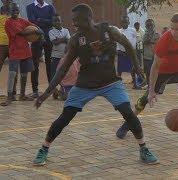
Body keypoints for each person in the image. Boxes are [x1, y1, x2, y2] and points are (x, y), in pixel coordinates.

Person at [32, 4, 158, 166]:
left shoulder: (109, 31)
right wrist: (46, 93)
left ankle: (143, 149)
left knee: (128, 112)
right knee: (65, 117)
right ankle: (44, 149)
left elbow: (127, 44)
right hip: (85, 85)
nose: (74, 24)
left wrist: (137, 65)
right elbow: (63, 68)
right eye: (73, 21)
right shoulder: (76, 40)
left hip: (110, 83)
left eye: (77, 20)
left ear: (88, 19)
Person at [116, 13, 178, 139]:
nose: (174, 32)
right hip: (165, 69)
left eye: (177, 29)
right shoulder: (165, 40)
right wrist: (151, 91)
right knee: (144, 99)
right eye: (172, 28)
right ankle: (128, 123)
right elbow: (155, 67)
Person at [1, 3, 42, 106]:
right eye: (13, 11)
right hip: (14, 51)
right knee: (12, 74)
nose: (15, 12)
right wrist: (36, 32)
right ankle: (10, 97)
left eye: (17, 11)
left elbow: (33, 26)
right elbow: (22, 33)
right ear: (9, 12)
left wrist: (39, 31)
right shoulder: (8, 22)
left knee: (24, 74)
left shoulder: (22, 20)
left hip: (25, 50)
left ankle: (22, 95)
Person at [26, 0, 56, 98]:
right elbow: (32, 21)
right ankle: (35, 91)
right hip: (35, 38)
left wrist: (39, 20)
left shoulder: (50, 7)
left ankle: (51, 89)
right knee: (35, 64)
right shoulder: (30, 7)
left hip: (49, 38)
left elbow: (53, 22)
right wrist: (46, 21)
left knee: (49, 64)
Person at [117, 15, 142, 89]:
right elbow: (117, 43)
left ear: (128, 22)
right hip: (121, 53)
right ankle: (118, 85)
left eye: (126, 22)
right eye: (123, 22)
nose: (124, 23)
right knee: (119, 70)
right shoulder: (118, 31)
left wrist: (134, 51)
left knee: (133, 69)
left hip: (131, 53)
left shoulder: (133, 30)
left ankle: (135, 84)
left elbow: (135, 41)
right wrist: (118, 51)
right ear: (121, 23)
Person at [49, 14, 71, 99]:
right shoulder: (51, 31)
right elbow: (54, 42)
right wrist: (64, 39)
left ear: (61, 21)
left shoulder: (66, 30)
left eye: (58, 20)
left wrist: (60, 39)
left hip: (64, 57)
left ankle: (62, 90)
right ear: (52, 22)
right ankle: (54, 91)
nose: (57, 22)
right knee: (54, 75)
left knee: (65, 74)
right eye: (55, 20)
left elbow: (69, 41)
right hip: (55, 57)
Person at [0, 0, 17, 97]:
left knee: (14, 69)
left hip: (12, 45)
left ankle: (13, 93)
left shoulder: (15, 11)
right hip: (1, 44)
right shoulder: (1, 10)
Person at [143, 18, 160, 84]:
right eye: (148, 25)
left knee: (155, 71)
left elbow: (158, 43)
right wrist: (149, 36)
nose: (150, 27)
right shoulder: (145, 34)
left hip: (155, 56)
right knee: (148, 72)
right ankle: (148, 84)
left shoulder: (157, 34)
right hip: (147, 56)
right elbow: (144, 41)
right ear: (146, 26)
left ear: (154, 25)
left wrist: (150, 41)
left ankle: (155, 84)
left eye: (151, 25)